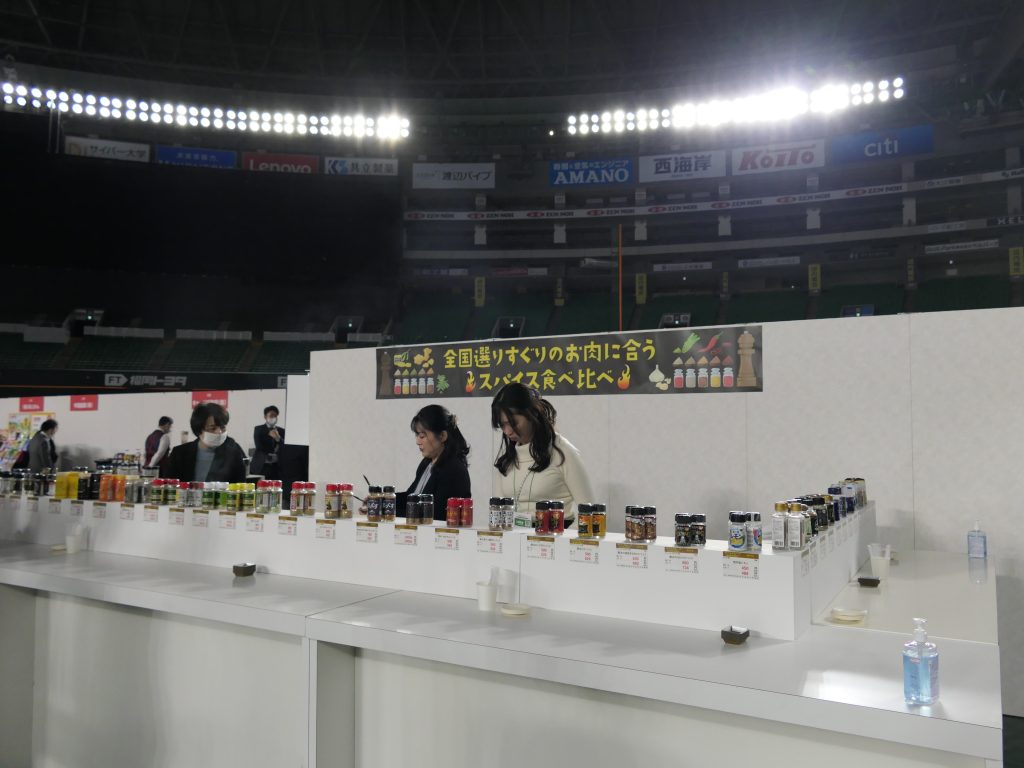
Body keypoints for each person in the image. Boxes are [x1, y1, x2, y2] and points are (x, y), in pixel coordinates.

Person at [491, 383, 594, 524]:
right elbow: (499, 510)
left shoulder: (562, 452)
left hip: (557, 534)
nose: (508, 431)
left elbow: (589, 513)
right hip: (515, 534)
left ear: (532, 413)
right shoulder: (506, 459)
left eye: (513, 423)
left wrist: (564, 537)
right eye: (502, 425)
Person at [403, 404, 471, 520]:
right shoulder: (426, 463)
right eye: (417, 435)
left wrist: (386, 510)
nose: (418, 442)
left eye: (422, 436)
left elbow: (434, 514)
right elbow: (410, 498)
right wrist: (381, 500)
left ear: (443, 436)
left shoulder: (453, 470)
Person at [163, 402, 245, 483]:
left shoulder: (233, 454)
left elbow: (240, 486)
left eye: (222, 427)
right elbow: (168, 486)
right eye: (212, 428)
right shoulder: (179, 454)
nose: (219, 432)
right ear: (199, 430)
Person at [251, 405, 284, 479]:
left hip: (276, 466)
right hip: (262, 465)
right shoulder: (259, 429)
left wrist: (278, 438)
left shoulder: (281, 431)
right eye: (271, 415)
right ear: (265, 417)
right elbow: (259, 446)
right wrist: (270, 455)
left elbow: (285, 447)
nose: (273, 418)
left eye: (275, 416)